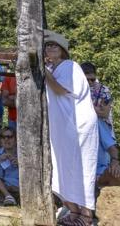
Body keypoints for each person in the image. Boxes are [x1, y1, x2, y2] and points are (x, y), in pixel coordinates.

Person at [43, 30, 98, 225]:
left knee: (81, 166)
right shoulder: (53, 68)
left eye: (54, 45)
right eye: (47, 46)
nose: (50, 48)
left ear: (63, 51)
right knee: (63, 167)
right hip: (64, 127)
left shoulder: (70, 66)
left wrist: (44, 72)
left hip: (79, 124)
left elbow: (60, 89)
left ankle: (86, 215)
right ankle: (73, 210)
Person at [94, 112, 120, 192]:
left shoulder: (97, 122)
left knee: (115, 173)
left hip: (98, 172)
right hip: (81, 174)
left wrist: (115, 161)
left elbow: (112, 148)